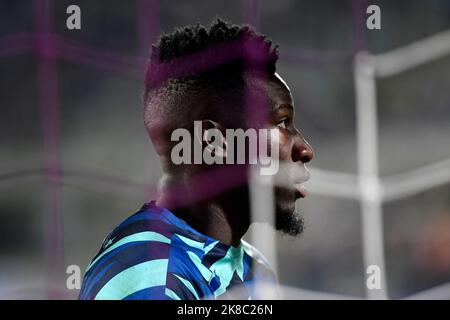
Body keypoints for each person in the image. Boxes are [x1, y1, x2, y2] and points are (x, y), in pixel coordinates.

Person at [79, 18, 313, 300]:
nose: (305, 149)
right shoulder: (152, 278)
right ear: (213, 142)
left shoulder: (253, 268)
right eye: (282, 122)